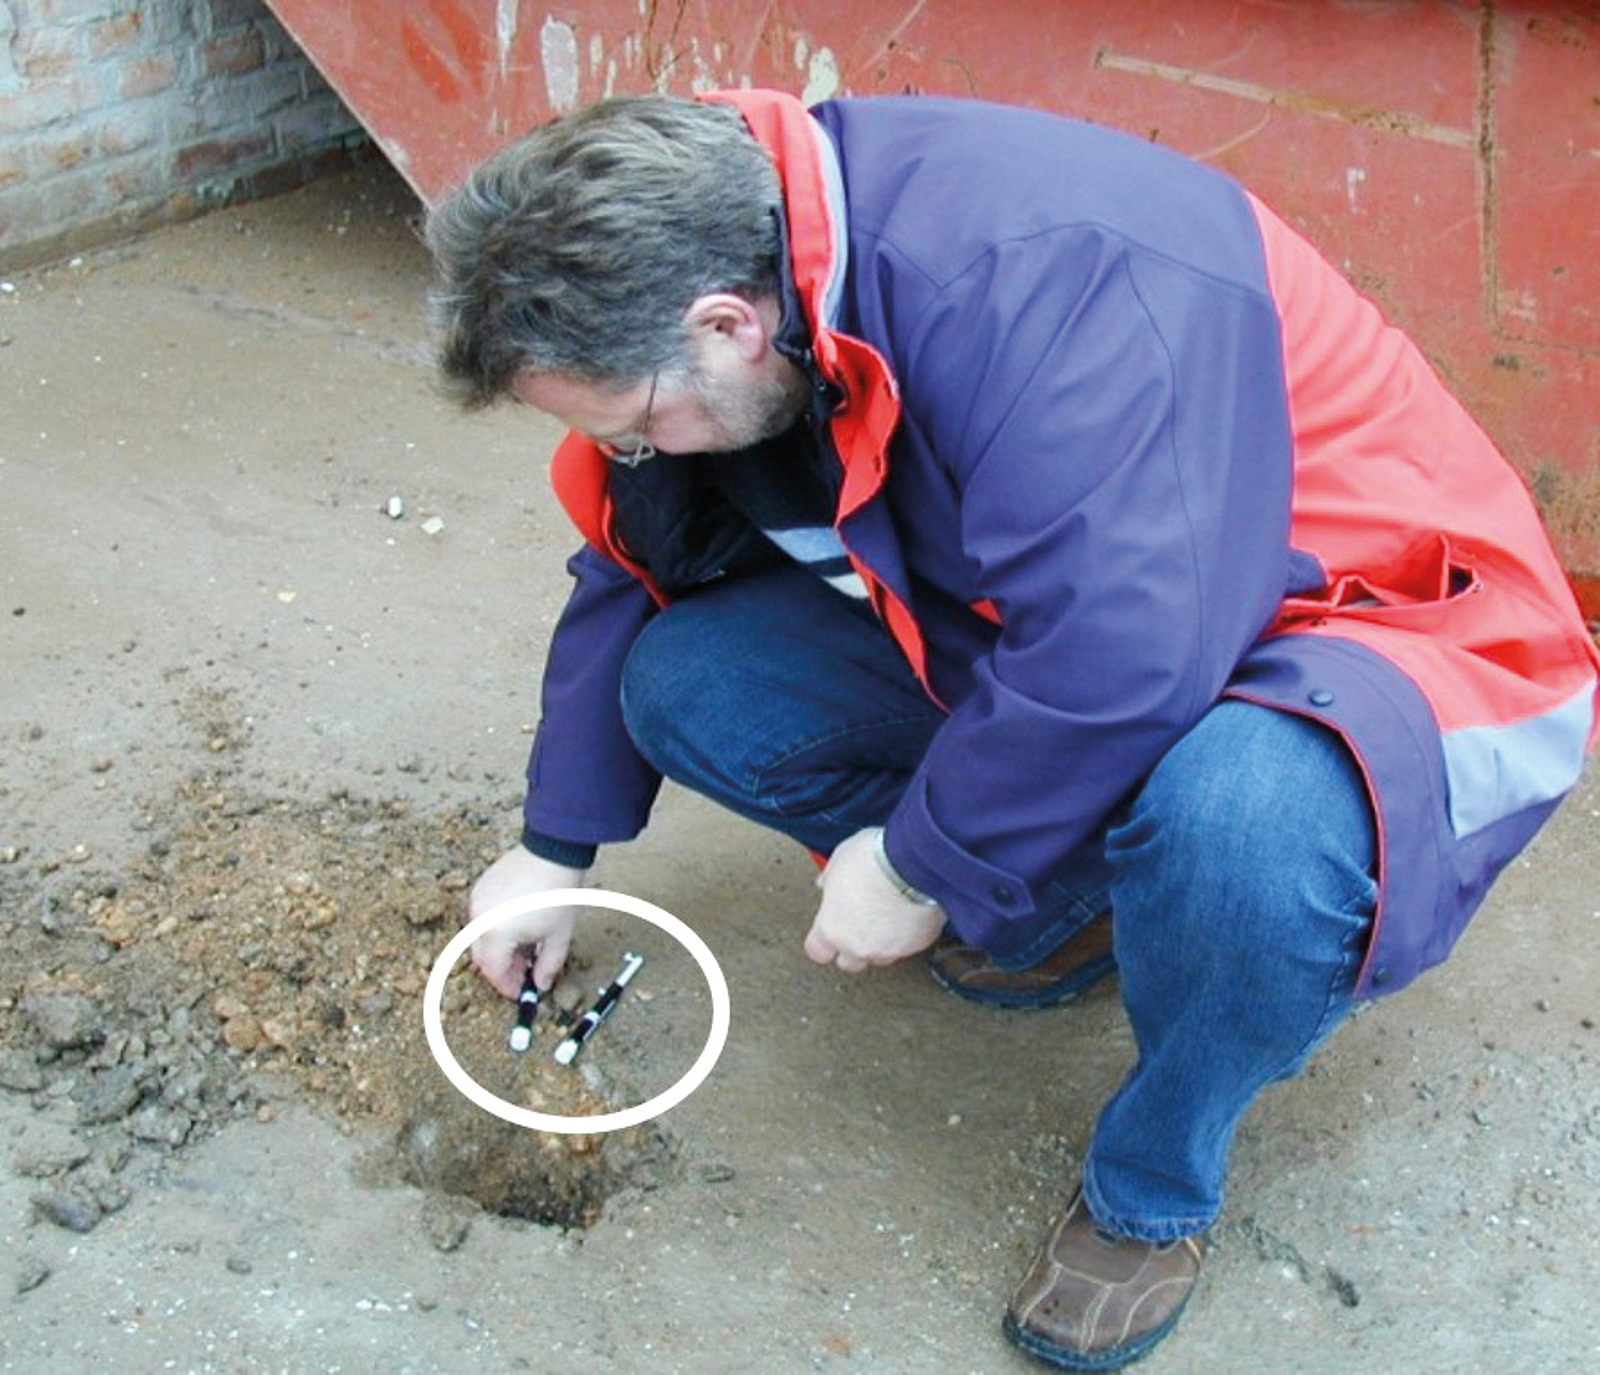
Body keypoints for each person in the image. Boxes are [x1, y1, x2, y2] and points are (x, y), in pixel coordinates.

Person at [424, 88, 1599, 1370]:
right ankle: (1073, 906)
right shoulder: (735, 264)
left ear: (725, 325)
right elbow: (629, 553)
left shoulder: (1049, 276)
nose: (636, 450)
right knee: (693, 678)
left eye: (639, 424)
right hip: (1123, 611)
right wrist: (552, 848)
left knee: (1240, 828)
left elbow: (1131, 651)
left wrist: (917, 862)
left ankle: (1153, 1182)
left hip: (1377, 630)